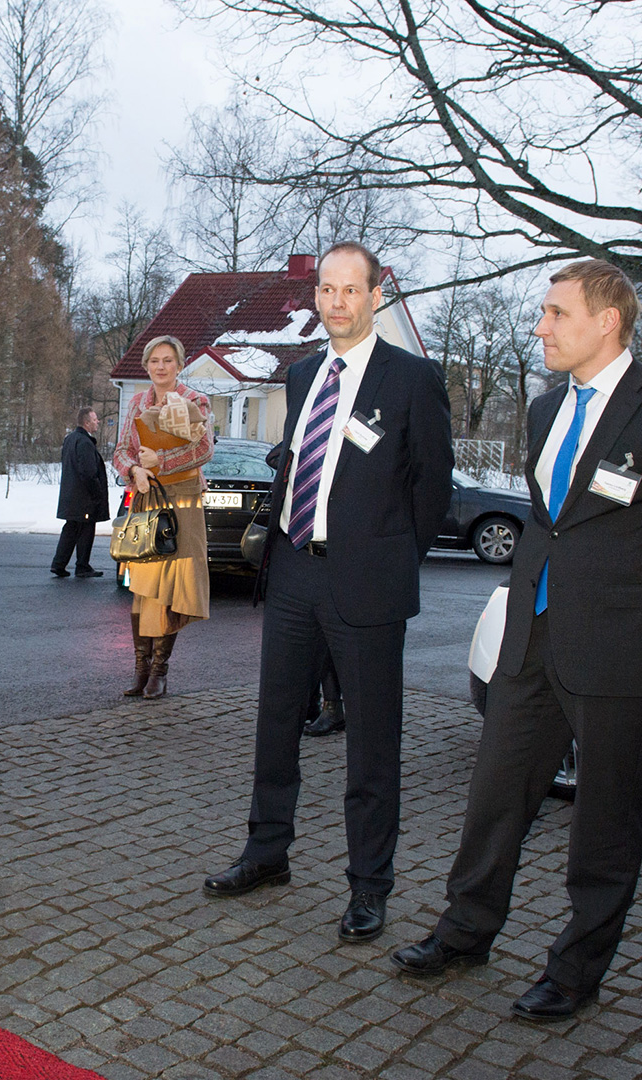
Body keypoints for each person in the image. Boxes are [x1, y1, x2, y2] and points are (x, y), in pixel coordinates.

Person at [390, 259, 642, 1023]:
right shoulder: (547, 412)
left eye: (555, 313)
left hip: (622, 657)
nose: (540, 327)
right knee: (493, 803)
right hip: (531, 644)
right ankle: (465, 931)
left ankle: (577, 971)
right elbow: (552, 524)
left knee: (604, 826)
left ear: (606, 320)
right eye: (542, 313)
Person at [202, 242, 453, 947]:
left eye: (352, 290)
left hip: (366, 586)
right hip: (291, 575)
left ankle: (370, 886)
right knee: (276, 725)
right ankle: (266, 852)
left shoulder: (412, 379)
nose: (338, 301)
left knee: (371, 743)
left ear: (376, 296)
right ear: (316, 296)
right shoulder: (304, 371)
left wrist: (390, 558)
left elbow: (432, 489)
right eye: (327, 289)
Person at [110, 336, 213, 699]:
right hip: (146, 499)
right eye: (154, 360)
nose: (160, 366)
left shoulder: (195, 400)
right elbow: (120, 451)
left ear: (180, 364)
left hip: (183, 501)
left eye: (168, 360)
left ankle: (159, 670)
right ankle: (139, 668)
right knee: (141, 589)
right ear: (146, 365)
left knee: (171, 588)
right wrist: (135, 470)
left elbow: (204, 448)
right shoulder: (137, 401)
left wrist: (161, 463)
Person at [50, 406, 109, 578]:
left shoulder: (70, 439)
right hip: (84, 498)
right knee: (85, 530)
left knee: (71, 529)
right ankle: (82, 565)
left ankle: (59, 564)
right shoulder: (84, 443)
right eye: (95, 419)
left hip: (71, 495)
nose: (98, 421)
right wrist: (97, 494)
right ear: (86, 422)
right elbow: (89, 473)